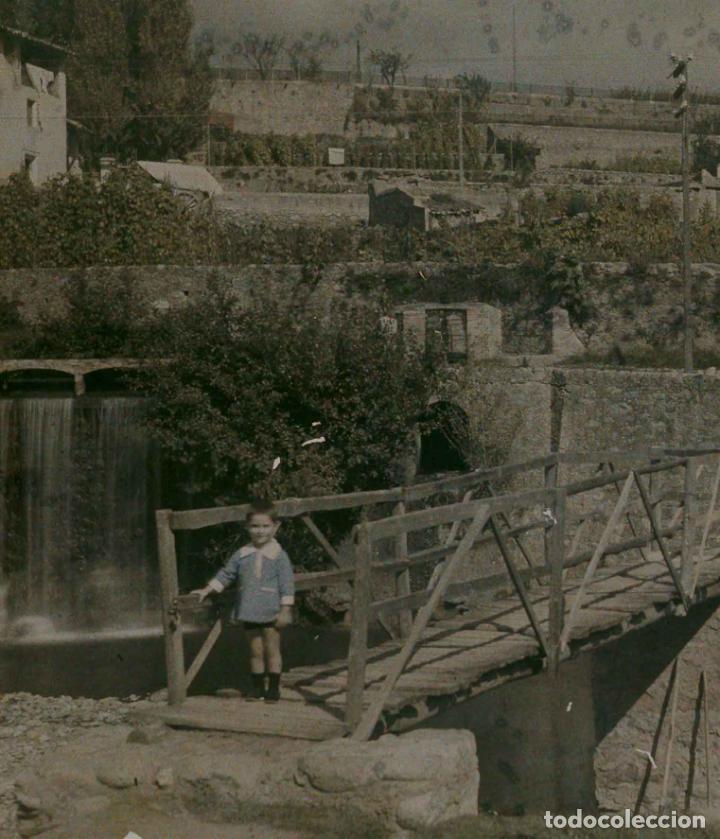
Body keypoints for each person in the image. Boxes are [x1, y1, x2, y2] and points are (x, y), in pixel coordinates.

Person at [191, 500, 294, 702]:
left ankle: (273, 688)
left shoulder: (279, 556)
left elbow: (287, 584)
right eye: (255, 526)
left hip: (271, 611)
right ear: (247, 527)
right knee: (255, 651)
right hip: (248, 610)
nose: (260, 531)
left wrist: (285, 610)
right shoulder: (241, 554)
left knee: (272, 650)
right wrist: (207, 590)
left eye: (265, 526)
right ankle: (257, 688)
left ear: (275, 527)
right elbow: (226, 574)